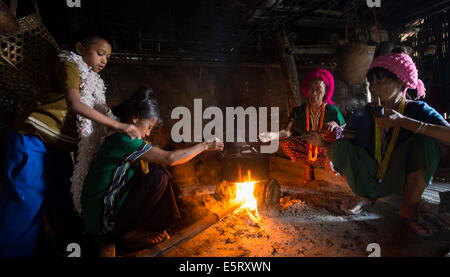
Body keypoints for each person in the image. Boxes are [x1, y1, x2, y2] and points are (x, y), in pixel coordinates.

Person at [0, 27, 140, 257]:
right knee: (24, 206)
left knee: (64, 205)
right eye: (100, 53)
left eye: (108, 57)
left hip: (58, 148)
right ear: (80, 49)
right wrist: (118, 126)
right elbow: (75, 104)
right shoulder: (70, 65)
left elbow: (104, 111)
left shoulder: (94, 83)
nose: (104, 60)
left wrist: (127, 120)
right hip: (32, 139)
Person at [303, 52, 450, 236]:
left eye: (380, 82)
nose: (373, 88)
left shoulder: (417, 110)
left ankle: (409, 209)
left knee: (426, 142)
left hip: (401, 179)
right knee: (341, 146)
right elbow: (346, 132)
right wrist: (326, 138)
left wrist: (403, 121)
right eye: (371, 83)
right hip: (372, 175)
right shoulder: (367, 111)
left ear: (401, 83)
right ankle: (364, 194)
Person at [81, 88, 223, 252]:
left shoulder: (121, 136)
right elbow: (169, 159)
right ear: (135, 119)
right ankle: (130, 234)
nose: (148, 133)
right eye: (148, 126)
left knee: (156, 170)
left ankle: (149, 228)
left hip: (106, 210)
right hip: (103, 222)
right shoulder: (124, 139)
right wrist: (205, 145)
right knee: (159, 176)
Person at [260, 69, 345, 181]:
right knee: (285, 140)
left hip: (325, 151)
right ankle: (307, 165)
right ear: (306, 90)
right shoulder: (298, 111)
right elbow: (287, 131)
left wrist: (334, 125)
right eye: (311, 89)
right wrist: (273, 135)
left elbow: (344, 130)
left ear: (325, 92)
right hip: (306, 152)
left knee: (336, 131)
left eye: (318, 89)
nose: (314, 93)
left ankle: (329, 162)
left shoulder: (332, 111)